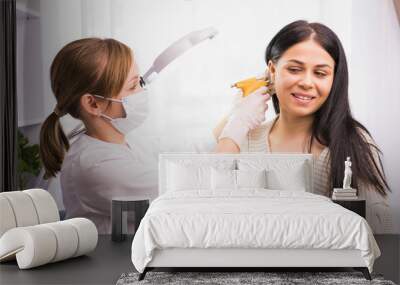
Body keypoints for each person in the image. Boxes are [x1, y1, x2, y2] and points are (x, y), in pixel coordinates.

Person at [214, 20, 393, 233]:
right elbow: (213, 212)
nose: (307, 82)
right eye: (295, 69)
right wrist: (236, 125)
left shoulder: (354, 142)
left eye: (320, 73)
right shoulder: (243, 139)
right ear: (271, 70)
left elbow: (380, 228)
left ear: (334, 78)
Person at [39, 38, 158, 234]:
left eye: (140, 82)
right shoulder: (96, 165)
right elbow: (180, 196)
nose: (142, 92)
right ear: (93, 104)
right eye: (132, 86)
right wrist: (228, 137)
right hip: (114, 263)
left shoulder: (123, 140)